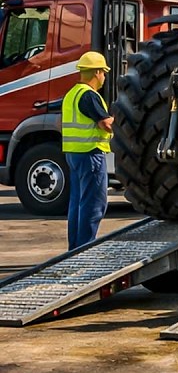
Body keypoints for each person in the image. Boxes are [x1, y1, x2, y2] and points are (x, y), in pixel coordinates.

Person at [63, 51, 113, 250]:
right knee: (94, 205)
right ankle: (85, 248)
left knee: (77, 203)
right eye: (104, 73)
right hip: (90, 154)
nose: (104, 77)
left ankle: (74, 248)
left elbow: (60, 123)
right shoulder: (89, 96)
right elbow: (106, 124)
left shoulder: (71, 94)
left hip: (73, 154)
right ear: (98, 72)